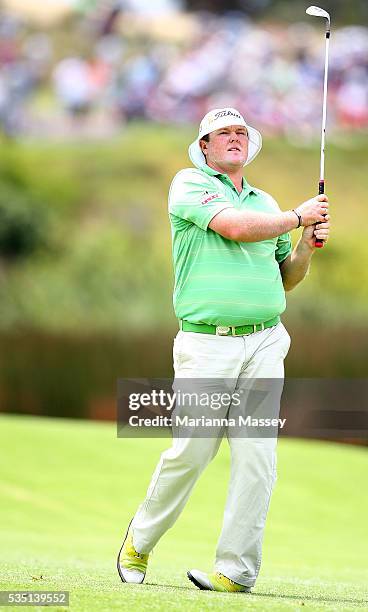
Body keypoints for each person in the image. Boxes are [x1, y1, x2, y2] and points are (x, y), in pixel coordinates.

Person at [117, 107, 330, 593]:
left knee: (257, 457)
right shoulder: (188, 185)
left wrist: (305, 247)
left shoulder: (266, 200)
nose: (233, 139)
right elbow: (234, 227)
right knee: (192, 451)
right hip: (207, 343)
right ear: (205, 147)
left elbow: (287, 278)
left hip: (265, 341)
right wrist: (297, 216)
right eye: (222, 133)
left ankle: (236, 571)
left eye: (241, 133)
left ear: (248, 147)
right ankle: (139, 541)